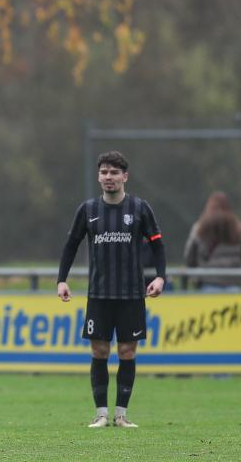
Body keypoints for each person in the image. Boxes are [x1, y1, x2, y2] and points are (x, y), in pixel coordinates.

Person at [57, 150, 166, 428]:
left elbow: (157, 245)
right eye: (104, 172)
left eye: (114, 172)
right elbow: (71, 245)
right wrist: (62, 279)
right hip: (99, 295)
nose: (109, 177)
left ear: (125, 177)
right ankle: (101, 414)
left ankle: (121, 414)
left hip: (131, 295)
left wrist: (161, 277)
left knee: (127, 352)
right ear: (98, 176)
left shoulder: (140, 208)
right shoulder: (88, 210)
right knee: (99, 352)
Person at [184, 191, 241, 291]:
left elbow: (189, 255)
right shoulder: (237, 227)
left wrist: (195, 270)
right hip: (233, 281)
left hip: (209, 279)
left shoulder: (200, 227)